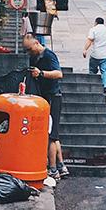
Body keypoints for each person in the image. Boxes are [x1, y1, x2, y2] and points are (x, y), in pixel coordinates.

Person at [25, 32, 69, 179]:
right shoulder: (34, 57)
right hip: (44, 96)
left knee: (50, 135)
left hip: (53, 96)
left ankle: (53, 168)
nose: (29, 52)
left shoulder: (49, 55)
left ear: (37, 43)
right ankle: (61, 166)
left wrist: (41, 73)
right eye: (27, 50)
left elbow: (59, 74)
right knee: (54, 135)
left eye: (30, 49)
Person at [83, 16, 106, 94]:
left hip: (95, 54)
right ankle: (105, 86)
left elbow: (90, 40)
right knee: (104, 70)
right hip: (105, 55)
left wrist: (85, 49)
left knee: (92, 70)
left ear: (96, 22)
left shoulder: (93, 30)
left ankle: (92, 84)